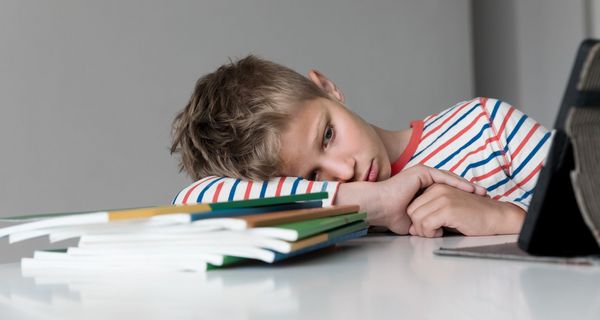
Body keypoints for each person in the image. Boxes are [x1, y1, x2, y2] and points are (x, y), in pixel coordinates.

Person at [170, 56, 552, 237]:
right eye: (313, 176)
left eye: (327, 136)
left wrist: (506, 219)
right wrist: (374, 203)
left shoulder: (484, 126)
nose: (342, 171)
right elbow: (192, 203)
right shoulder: (333, 214)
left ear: (328, 89)